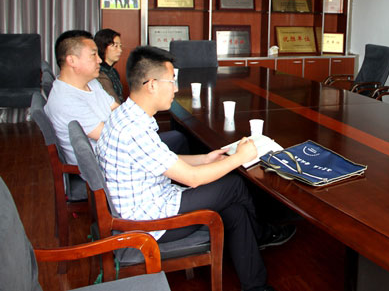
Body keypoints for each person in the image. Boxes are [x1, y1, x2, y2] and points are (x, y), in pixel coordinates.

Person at [95, 46, 294, 291]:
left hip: (148, 204)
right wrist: (240, 157)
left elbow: (164, 159)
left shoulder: (127, 116)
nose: (176, 89)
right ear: (152, 85)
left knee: (234, 211)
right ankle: (261, 234)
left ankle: (255, 285)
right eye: (172, 81)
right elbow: (191, 179)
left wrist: (206, 158)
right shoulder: (134, 130)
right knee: (234, 184)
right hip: (148, 224)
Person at [44, 30, 118, 164]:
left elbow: (116, 108)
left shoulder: (91, 82)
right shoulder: (66, 100)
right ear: (72, 60)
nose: (100, 60)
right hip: (106, 165)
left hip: (117, 151)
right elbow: (110, 137)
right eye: (93, 55)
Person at [94, 28, 124, 103]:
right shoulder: (98, 72)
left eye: (120, 46)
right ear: (103, 47)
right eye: (115, 46)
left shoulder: (113, 71)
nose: (120, 50)